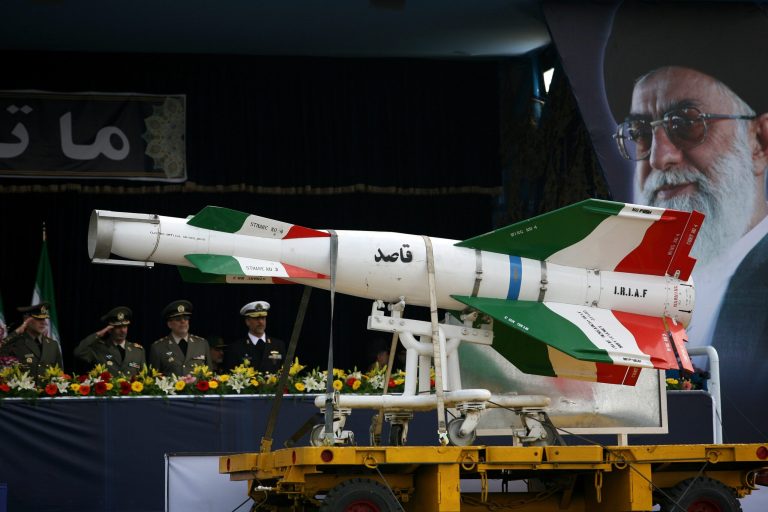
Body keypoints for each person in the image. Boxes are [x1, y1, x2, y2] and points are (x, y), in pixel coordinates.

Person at [604, 1, 768, 441]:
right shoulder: (631, 288)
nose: (660, 157)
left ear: (760, 141)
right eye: (640, 132)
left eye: (686, 123)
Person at [74, 306, 145, 377]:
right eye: (118, 327)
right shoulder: (99, 348)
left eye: (125, 327)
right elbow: (78, 352)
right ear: (110, 330)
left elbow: (143, 377)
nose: (123, 331)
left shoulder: (138, 351)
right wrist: (98, 334)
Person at [0, 302, 63, 379]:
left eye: (44, 319)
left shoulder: (53, 345)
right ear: (26, 320)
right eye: (39, 318)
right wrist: (16, 332)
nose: (43, 323)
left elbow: (59, 375)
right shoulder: (16, 343)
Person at [149, 300, 210, 376]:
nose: (183, 321)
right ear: (169, 324)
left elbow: (208, 375)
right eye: (178, 319)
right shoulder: (158, 347)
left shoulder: (202, 343)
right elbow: (154, 378)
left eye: (186, 318)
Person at [223, 301, 285, 372]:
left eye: (263, 318)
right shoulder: (236, 348)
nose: (261, 322)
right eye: (256, 318)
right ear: (247, 321)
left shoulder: (278, 345)